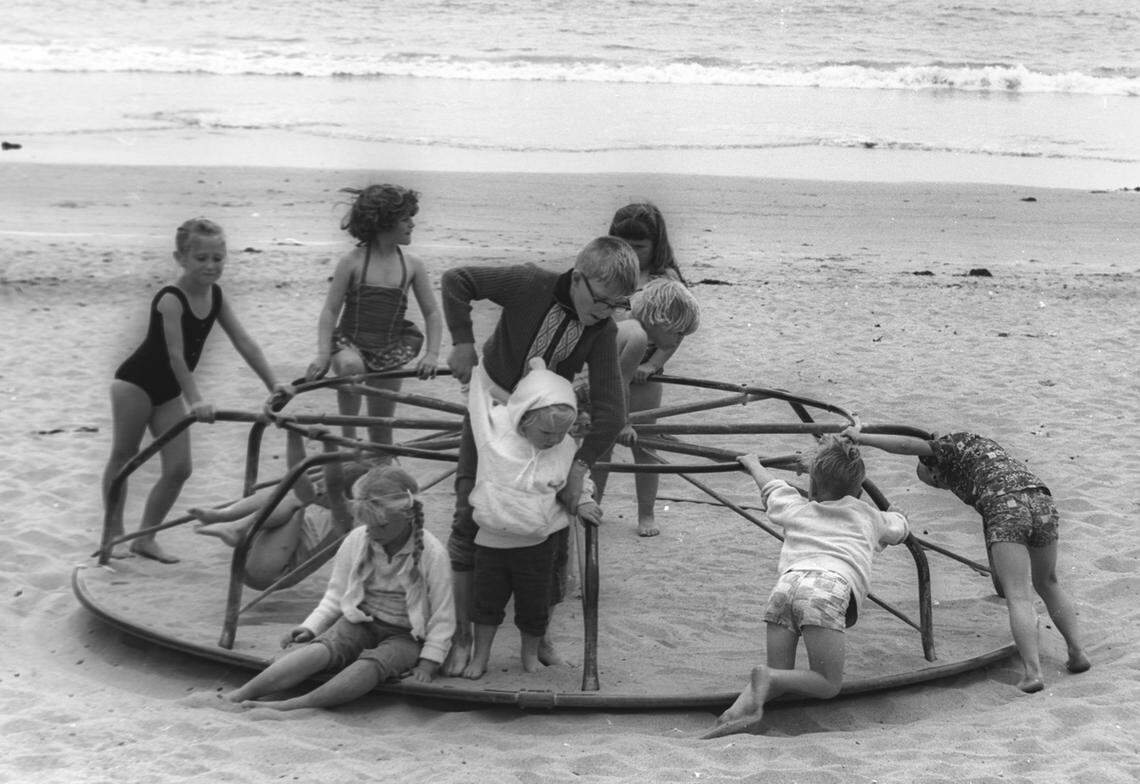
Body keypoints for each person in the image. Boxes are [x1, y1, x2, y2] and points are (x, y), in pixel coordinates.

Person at [439, 236, 640, 676]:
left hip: (546, 425)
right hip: (491, 410)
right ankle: (461, 637)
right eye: (601, 300)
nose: (606, 312)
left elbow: (613, 410)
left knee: (550, 526)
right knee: (468, 512)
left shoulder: (602, 330)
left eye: (617, 305)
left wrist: (579, 468)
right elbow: (457, 280)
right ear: (578, 275)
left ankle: (539, 635)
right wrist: (461, 342)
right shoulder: (530, 284)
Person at [843, 427, 1091, 693]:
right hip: (1040, 500)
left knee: (1018, 594)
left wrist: (861, 438)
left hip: (1005, 507)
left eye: (935, 480)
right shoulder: (981, 450)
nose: (941, 485)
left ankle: (1033, 673)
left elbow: (905, 444)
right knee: (1047, 581)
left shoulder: (947, 448)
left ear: (934, 466)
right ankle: (1077, 652)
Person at [103, 218, 285, 564]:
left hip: (168, 391)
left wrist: (272, 382)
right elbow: (175, 356)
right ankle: (113, 531)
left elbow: (244, 341)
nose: (211, 266)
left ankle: (145, 538)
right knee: (124, 456)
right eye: (201, 258)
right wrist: (196, 400)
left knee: (179, 468)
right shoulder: (170, 298)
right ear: (181, 258)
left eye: (218, 258)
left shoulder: (216, 295)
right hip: (135, 384)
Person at [705, 435, 910, 738]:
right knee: (827, 683)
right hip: (825, 591)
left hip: (785, 588)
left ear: (812, 486)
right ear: (858, 490)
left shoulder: (796, 507)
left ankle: (734, 713)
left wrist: (753, 464)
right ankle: (767, 677)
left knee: (781, 676)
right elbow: (900, 527)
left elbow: (771, 487)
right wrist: (898, 514)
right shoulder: (869, 516)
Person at [222, 465, 455, 710]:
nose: (373, 533)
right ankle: (242, 694)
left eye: (382, 526)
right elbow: (335, 594)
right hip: (360, 622)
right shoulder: (357, 539)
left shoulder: (433, 554)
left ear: (407, 514)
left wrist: (429, 662)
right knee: (321, 650)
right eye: (368, 525)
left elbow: (443, 616)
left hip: (406, 636)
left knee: (371, 666)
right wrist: (311, 627)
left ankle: (296, 705)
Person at [463, 358, 602, 679]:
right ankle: (480, 656)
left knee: (534, 605)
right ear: (523, 417)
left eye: (560, 432)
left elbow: (577, 478)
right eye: (545, 431)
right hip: (491, 540)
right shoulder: (496, 432)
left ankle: (529, 656)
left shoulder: (565, 447)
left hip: (537, 543)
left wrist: (582, 500)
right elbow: (478, 400)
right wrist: (477, 363)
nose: (552, 438)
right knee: (486, 604)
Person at [306, 184, 443, 448]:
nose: (412, 224)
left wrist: (432, 354)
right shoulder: (353, 261)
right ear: (384, 222)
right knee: (351, 369)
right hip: (350, 344)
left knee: (381, 427)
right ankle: (348, 447)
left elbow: (433, 313)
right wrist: (323, 354)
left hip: (390, 348)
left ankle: (379, 464)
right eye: (405, 219)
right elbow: (330, 311)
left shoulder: (412, 265)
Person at [189, 427, 370, 590]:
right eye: (319, 485)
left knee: (294, 498)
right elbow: (299, 472)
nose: (319, 489)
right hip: (257, 552)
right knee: (288, 490)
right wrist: (294, 435)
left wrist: (329, 445)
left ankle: (237, 527)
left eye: (323, 487)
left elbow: (334, 483)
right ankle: (224, 516)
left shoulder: (345, 519)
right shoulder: (314, 497)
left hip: (271, 574)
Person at [589, 277, 700, 536]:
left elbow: (672, 341)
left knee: (646, 446)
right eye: (677, 331)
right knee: (601, 447)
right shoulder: (626, 328)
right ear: (660, 319)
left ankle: (646, 513)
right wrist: (622, 422)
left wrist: (651, 365)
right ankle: (593, 503)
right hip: (611, 387)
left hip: (643, 382)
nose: (678, 339)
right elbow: (617, 383)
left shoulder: (660, 327)